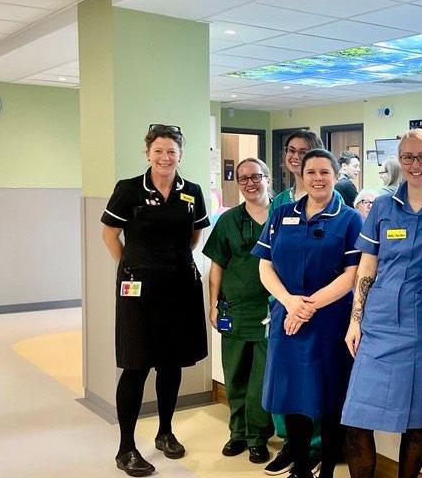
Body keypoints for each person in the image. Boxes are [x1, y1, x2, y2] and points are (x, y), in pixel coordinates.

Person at [100, 124, 210, 477]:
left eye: (172, 152)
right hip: (137, 290)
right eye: (159, 151)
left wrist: (170, 264)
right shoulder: (129, 189)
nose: (165, 157)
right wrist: (133, 266)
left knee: (172, 363)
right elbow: (109, 233)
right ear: (148, 152)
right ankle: (126, 447)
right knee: (135, 365)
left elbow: (194, 236)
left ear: (181, 154)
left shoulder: (191, 192)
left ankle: (165, 432)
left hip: (179, 287)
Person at [342, 129, 422, 478]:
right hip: (379, 324)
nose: (415, 164)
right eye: (407, 157)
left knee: (416, 422)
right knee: (356, 420)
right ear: (399, 161)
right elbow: (367, 264)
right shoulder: (384, 206)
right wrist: (355, 320)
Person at [253, 149, 363, 478]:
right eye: (311, 172)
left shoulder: (349, 219)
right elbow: (265, 265)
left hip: (328, 324)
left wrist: (307, 307)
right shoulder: (282, 214)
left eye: (324, 172)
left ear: (335, 176)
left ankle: (326, 470)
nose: (317, 178)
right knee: (292, 400)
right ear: (301, 176)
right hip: (287, 322)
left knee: (328, 401)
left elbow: (351, 275)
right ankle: (300, 469)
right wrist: (289, 302)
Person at [202, 158, 275, 464]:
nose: (249, 183)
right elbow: (216, 265)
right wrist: (213, 304)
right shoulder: (229, 220)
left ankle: (258, 436)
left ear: (267, 178)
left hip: (270, 312)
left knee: (261, 378)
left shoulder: (284, 216)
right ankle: (238, 433)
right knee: (235, 375)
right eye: (242, 179)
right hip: (234, 309)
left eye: (255, 177)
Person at [272, 130, 323, 211]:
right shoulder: (279, 201)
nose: (295, 156)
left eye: (303, 152)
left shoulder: (329, 196)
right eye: (291, 150)